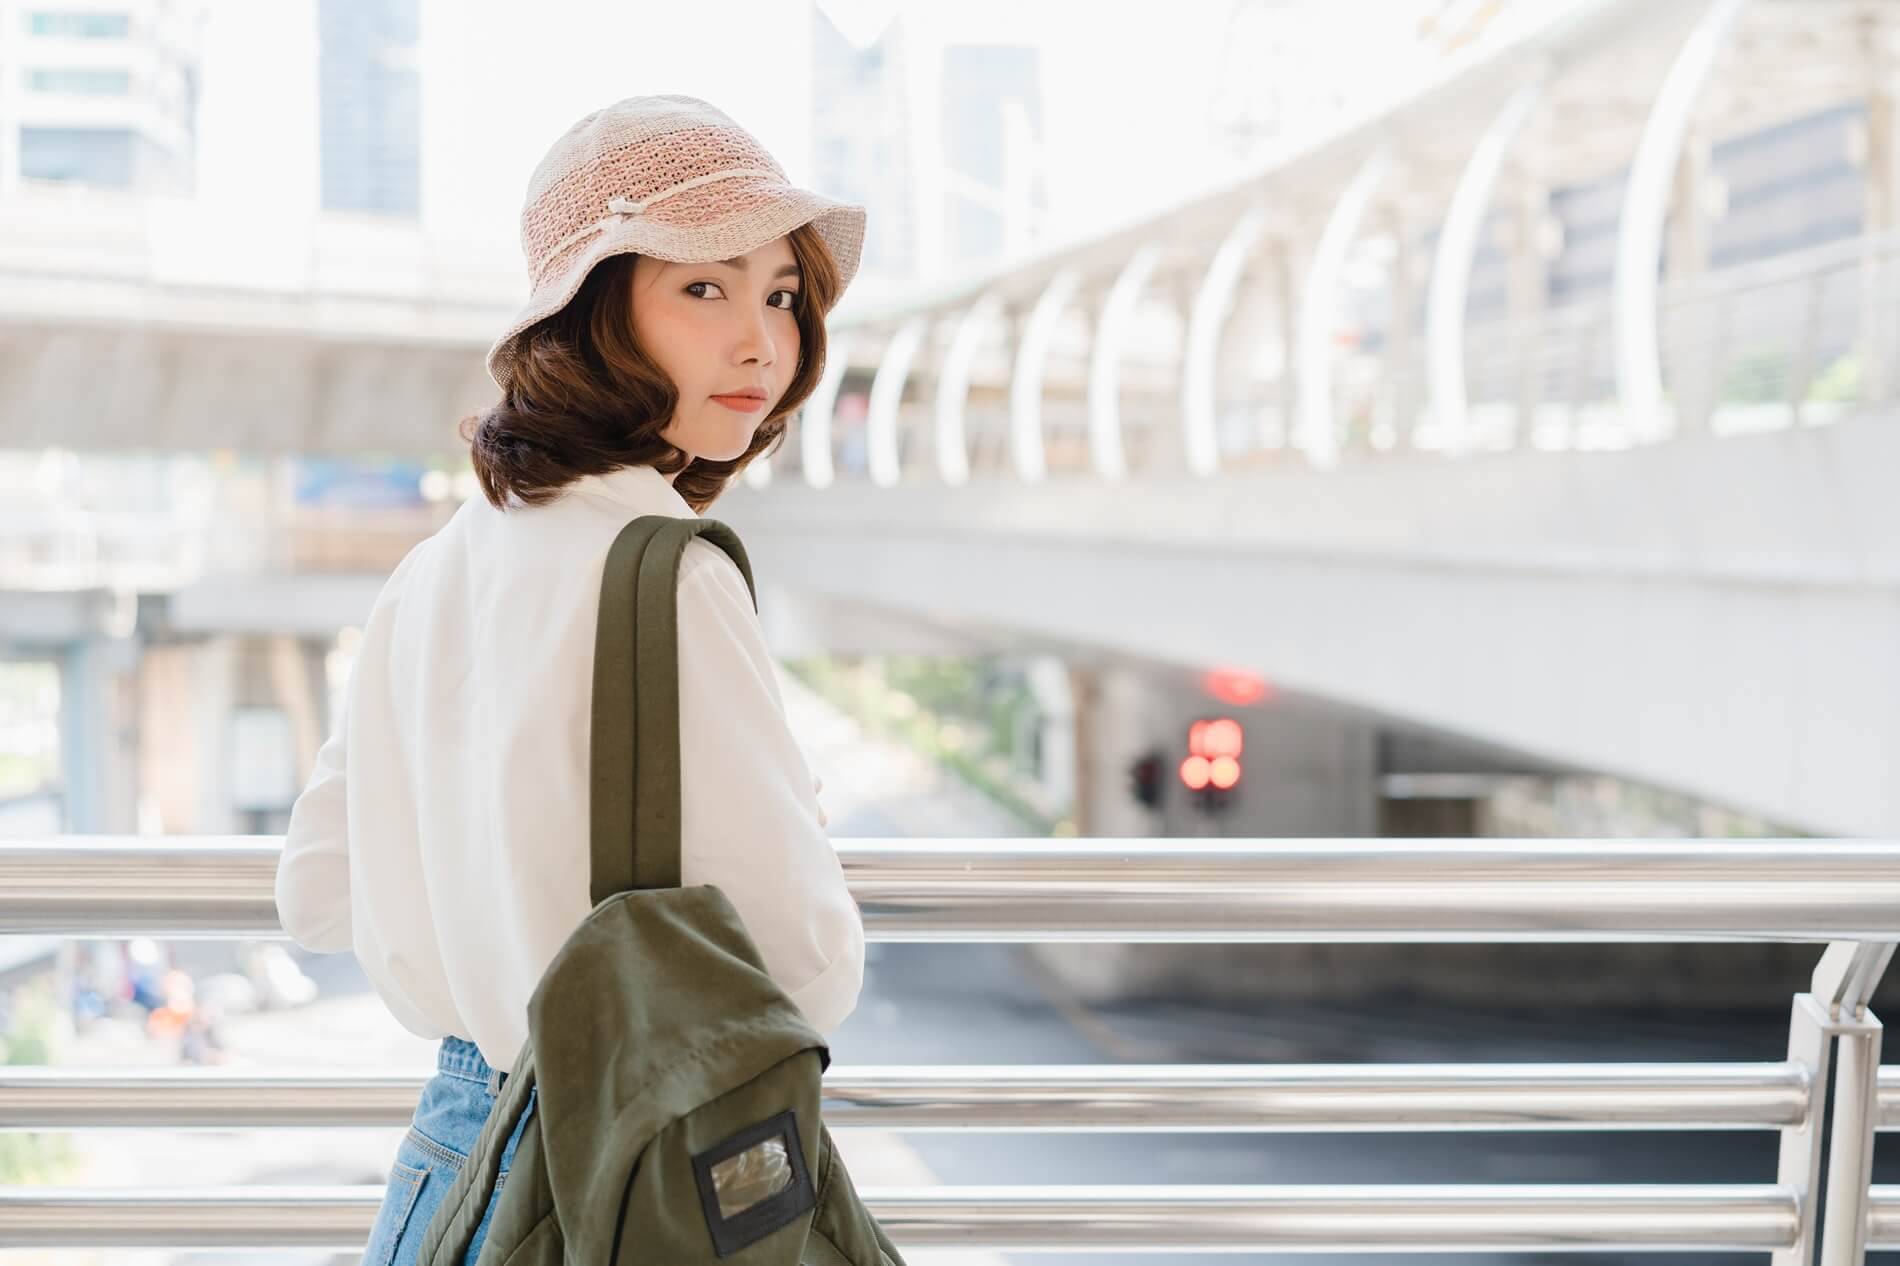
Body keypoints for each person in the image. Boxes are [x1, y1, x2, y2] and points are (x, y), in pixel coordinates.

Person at [274, 94, 869, 1265]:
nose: (762, 342)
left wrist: (488, 905)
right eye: (703, 287)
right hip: (610, 1178)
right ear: (595, 317)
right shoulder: (670, 573)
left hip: (446, 1169)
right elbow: (808, 969)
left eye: (779, 295)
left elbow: (317, 895)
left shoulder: (435, 568)